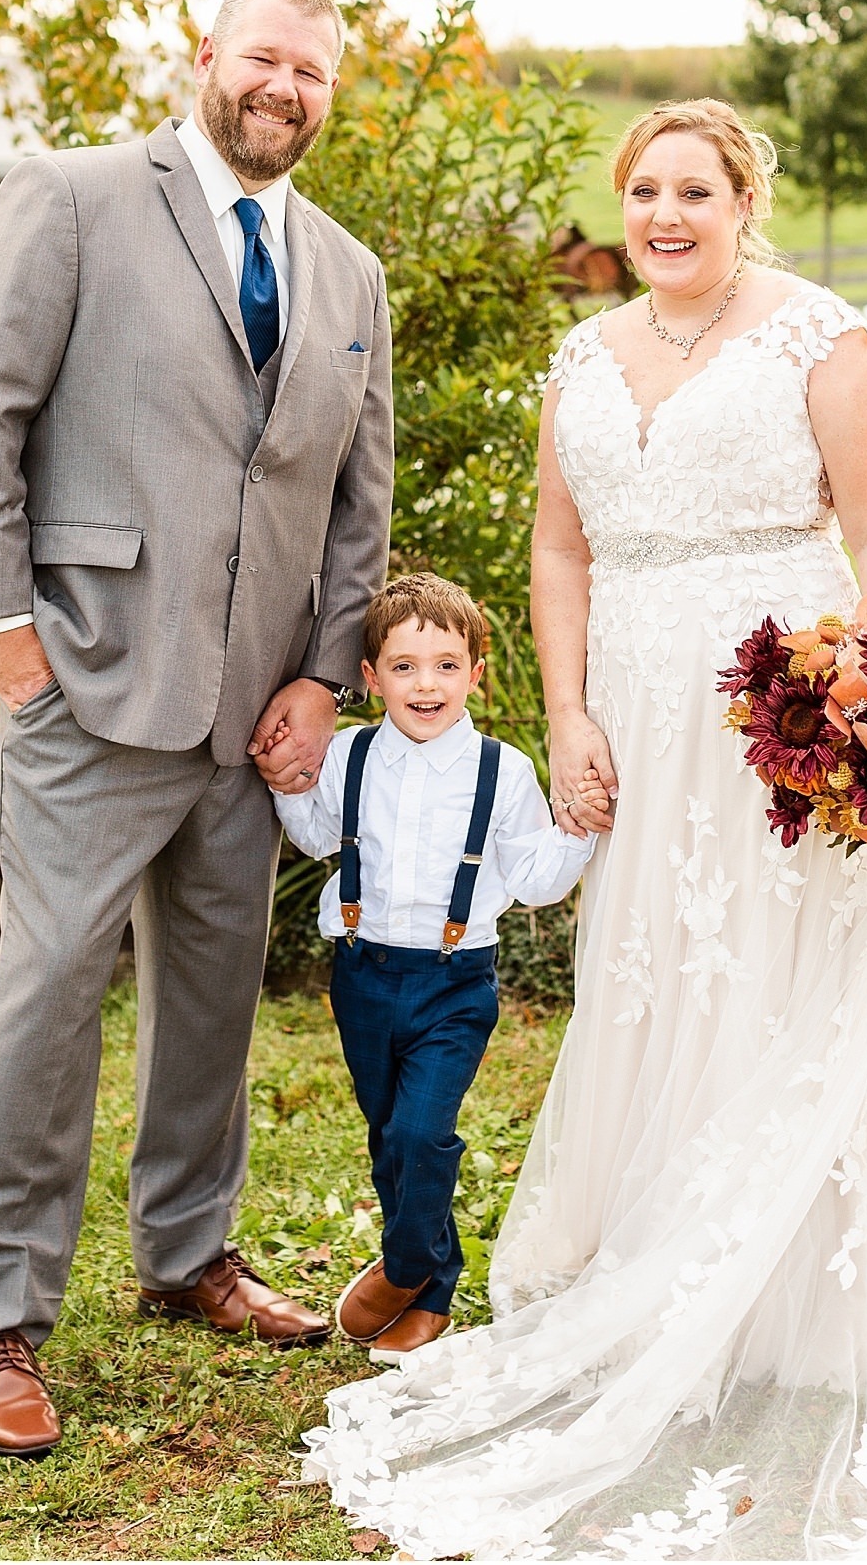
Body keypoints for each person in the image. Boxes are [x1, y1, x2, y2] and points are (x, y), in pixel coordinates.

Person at [301, 100, 867, 1561]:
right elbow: (559, 545)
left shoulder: (824, 341)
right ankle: (660, 1259)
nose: (664, 212)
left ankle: (814, 1299)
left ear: (741, 197)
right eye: (642, 188)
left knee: (791, 975)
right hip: (638, 718)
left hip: (783, 710)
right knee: (654, 966)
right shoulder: (583, 358)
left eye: (693, 189)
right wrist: (568, 710)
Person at [0, 0, 394, 1458]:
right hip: (88, 676)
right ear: (207, 58)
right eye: (264, 57)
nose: (285, 87)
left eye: (311, 71)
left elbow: (351, 497)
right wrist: (7, 639)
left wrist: (322, 674)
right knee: (50, 988)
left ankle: (189, 1250)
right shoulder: (70, 198)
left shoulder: (351, 274)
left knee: (214, 993)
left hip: (254, 714)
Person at [266, 573, 595, 1365]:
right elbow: (316, 832)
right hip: (361, 972)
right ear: (371, 677)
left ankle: (411, 1269)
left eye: (446, 664)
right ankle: (433, 1289)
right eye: (405, 666)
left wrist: (580, 823)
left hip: (455, 981)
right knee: (390, 1135)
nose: (427, 683)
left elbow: (537, 879)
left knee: (423, 1130)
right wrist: (285, 780)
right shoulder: (346, 757)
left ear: (476, 671)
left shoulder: (502, 771)